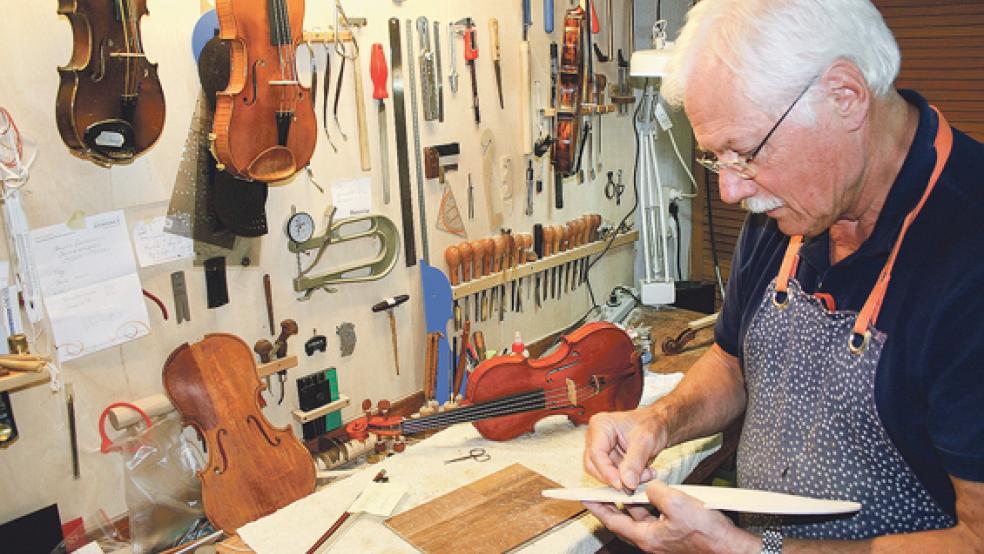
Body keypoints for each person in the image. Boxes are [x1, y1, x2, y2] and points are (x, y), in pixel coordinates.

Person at [582, 0, 984, 551]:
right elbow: (734, 362)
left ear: (845, 97)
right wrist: (657, 423)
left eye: (744, 153)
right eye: (718, 160)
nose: (731, 190)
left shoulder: (967, 253)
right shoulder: (794, 205)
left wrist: (751, 550)